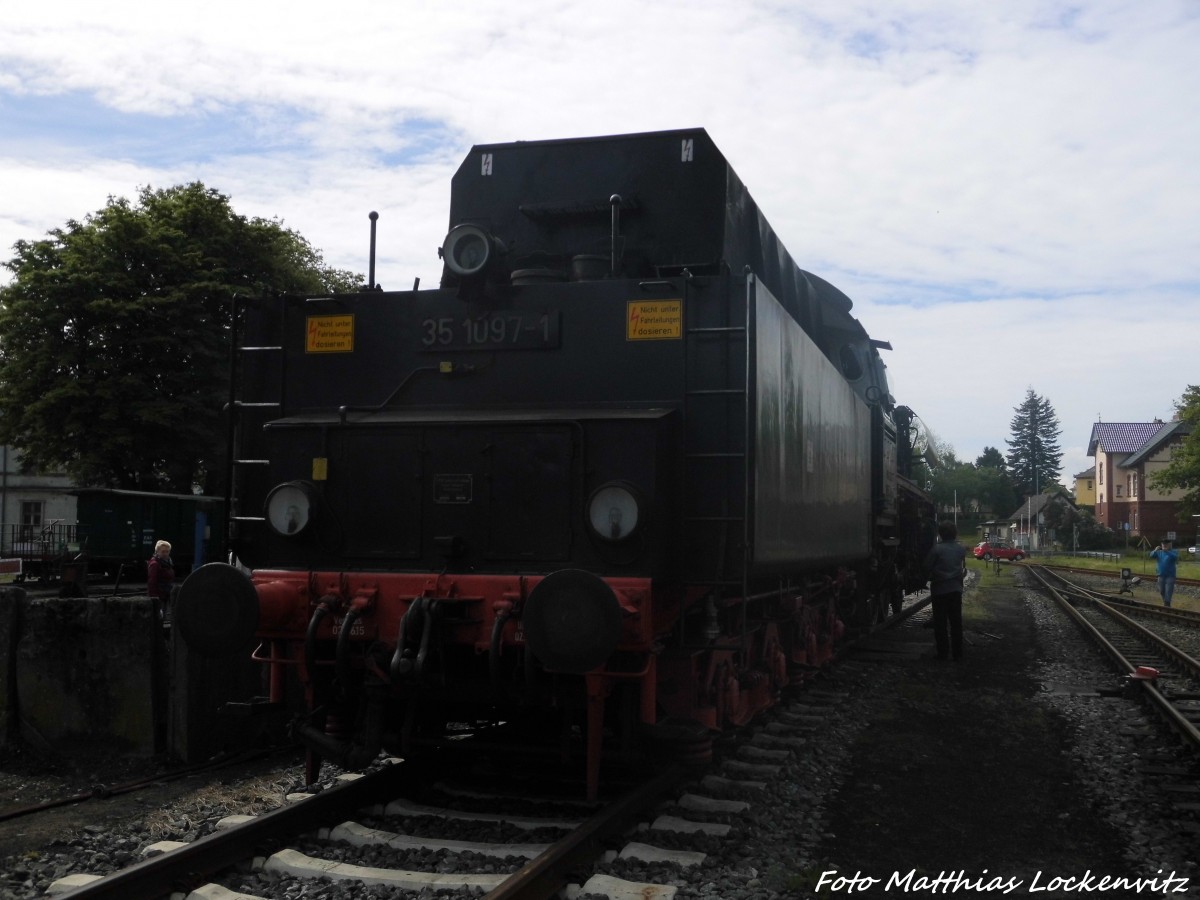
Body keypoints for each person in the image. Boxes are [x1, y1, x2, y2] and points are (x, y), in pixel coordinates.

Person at [923, 520, 968, 661]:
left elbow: (926, 567)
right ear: (955, 534)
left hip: (939, 590)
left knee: (940, 623)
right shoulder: (961, 549)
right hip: (955, 589)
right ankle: (958, 654)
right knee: (956, 622)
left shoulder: (936, 549)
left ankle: (942, 653)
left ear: (941, 534)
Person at [1149, 538, 1179, 608]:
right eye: (1163, 544)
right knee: (1162, 591)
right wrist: (1155, 550)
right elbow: (1151, 556)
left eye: (1165, 544)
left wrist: (1167, 551)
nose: (1164, 545)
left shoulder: (1173, 551)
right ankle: (1165, 602)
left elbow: (1175, 557)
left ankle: (1167, 604)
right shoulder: (1159, 552)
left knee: (1168, 590)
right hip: (1160, 575)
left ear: (1169, 545)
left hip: (1170, 575)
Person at [147, 540, 175, 607]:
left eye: (167, 551)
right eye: (163, 551)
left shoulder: (167, 563)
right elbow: (152, 581)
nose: (165, 553)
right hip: (159, 596)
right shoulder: (155, 564)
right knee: (159, 615)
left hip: (166, 594)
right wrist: (154, 596)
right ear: (157, 552)